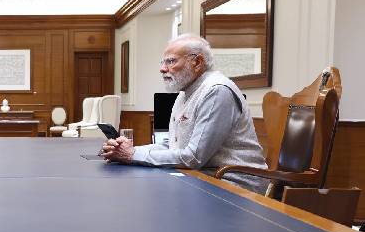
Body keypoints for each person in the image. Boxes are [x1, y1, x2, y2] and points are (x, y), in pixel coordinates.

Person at [100, 34, 268, 193]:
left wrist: (132, 155)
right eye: (162, 62)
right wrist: (126, 150)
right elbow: (172, 145)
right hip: (203, 176)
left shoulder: (217, 91)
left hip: (234, 184)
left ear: (197, 62)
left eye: (171, 61)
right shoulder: (184, 93)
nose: (162, 69)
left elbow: (193, 158)